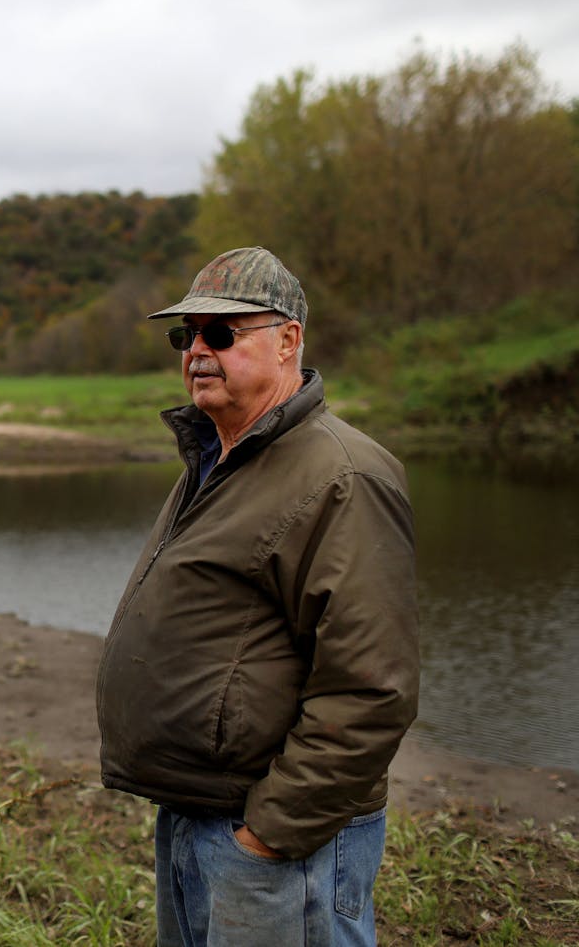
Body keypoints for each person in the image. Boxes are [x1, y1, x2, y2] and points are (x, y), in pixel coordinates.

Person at [94, 246, 420, 946]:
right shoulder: (218, 454)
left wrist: (267, 835)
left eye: (221, 332)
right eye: (188, 335)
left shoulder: (343, 475)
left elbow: (372, 690)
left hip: (276, 838)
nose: (197, 351)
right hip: (196, 813)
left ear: (288, 342)